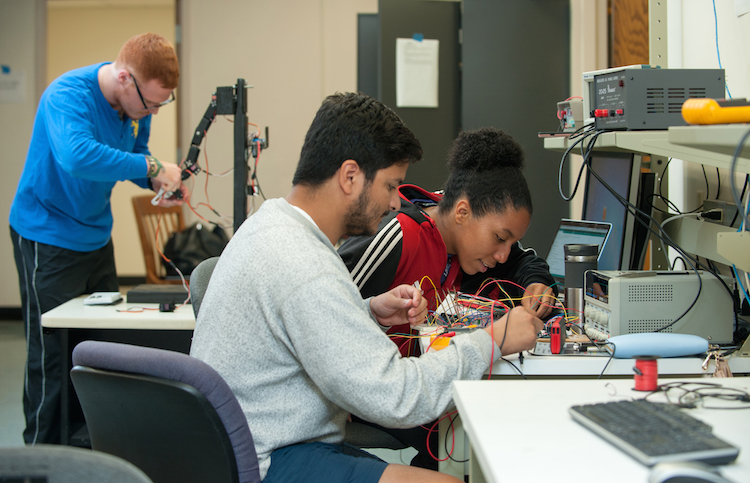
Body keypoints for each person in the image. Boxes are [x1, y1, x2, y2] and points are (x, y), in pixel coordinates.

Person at [189, 92, 543, 483]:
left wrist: (368, 310)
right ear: (350, 176)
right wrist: (493, 339)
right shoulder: (305, 264)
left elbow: (305, 324)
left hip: (251, 443)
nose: (395, 203)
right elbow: (400, 398)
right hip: (268, 460)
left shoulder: (272, 225)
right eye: (391, 186)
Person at [337, 127, 557, 469]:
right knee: (463, 443)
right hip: (371, 397)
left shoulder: (458, 234)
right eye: (500, 238)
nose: (502, 255)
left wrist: (537, 282)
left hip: (413, 387)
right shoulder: (398, 235)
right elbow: (330, 310)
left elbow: (522, 259)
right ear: (462, 213)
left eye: (509, 243)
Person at [9, 32, 184, 445]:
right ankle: (42, 459)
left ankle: (90, 449)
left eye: (162, 103)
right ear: (125, 78)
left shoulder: (136, 106)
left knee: (97, 347)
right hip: (47, 236)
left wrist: (155, 182)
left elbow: (134, 159)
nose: (154, 111)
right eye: (151, 102)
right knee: (52, 357)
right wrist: (152, 164)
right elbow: (78, 156)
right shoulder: (66, 95)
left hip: (94, 237)